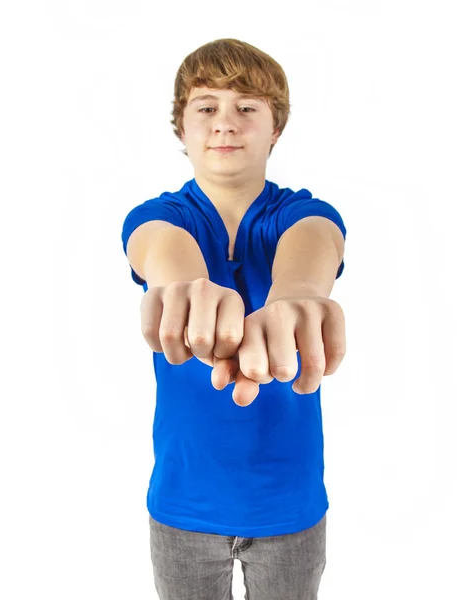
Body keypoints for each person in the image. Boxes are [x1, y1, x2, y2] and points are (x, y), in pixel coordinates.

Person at [121, 38, 347, 600]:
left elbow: (315, 242)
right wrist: (178, 285)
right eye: (206, 107)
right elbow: (159, 247)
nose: (226, 122)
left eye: (247, 107)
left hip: (289, 507)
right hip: (183, 503)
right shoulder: (158, 218)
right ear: (182, 128)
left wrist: (296, 293)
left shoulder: (304, 215)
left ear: (276, 130)